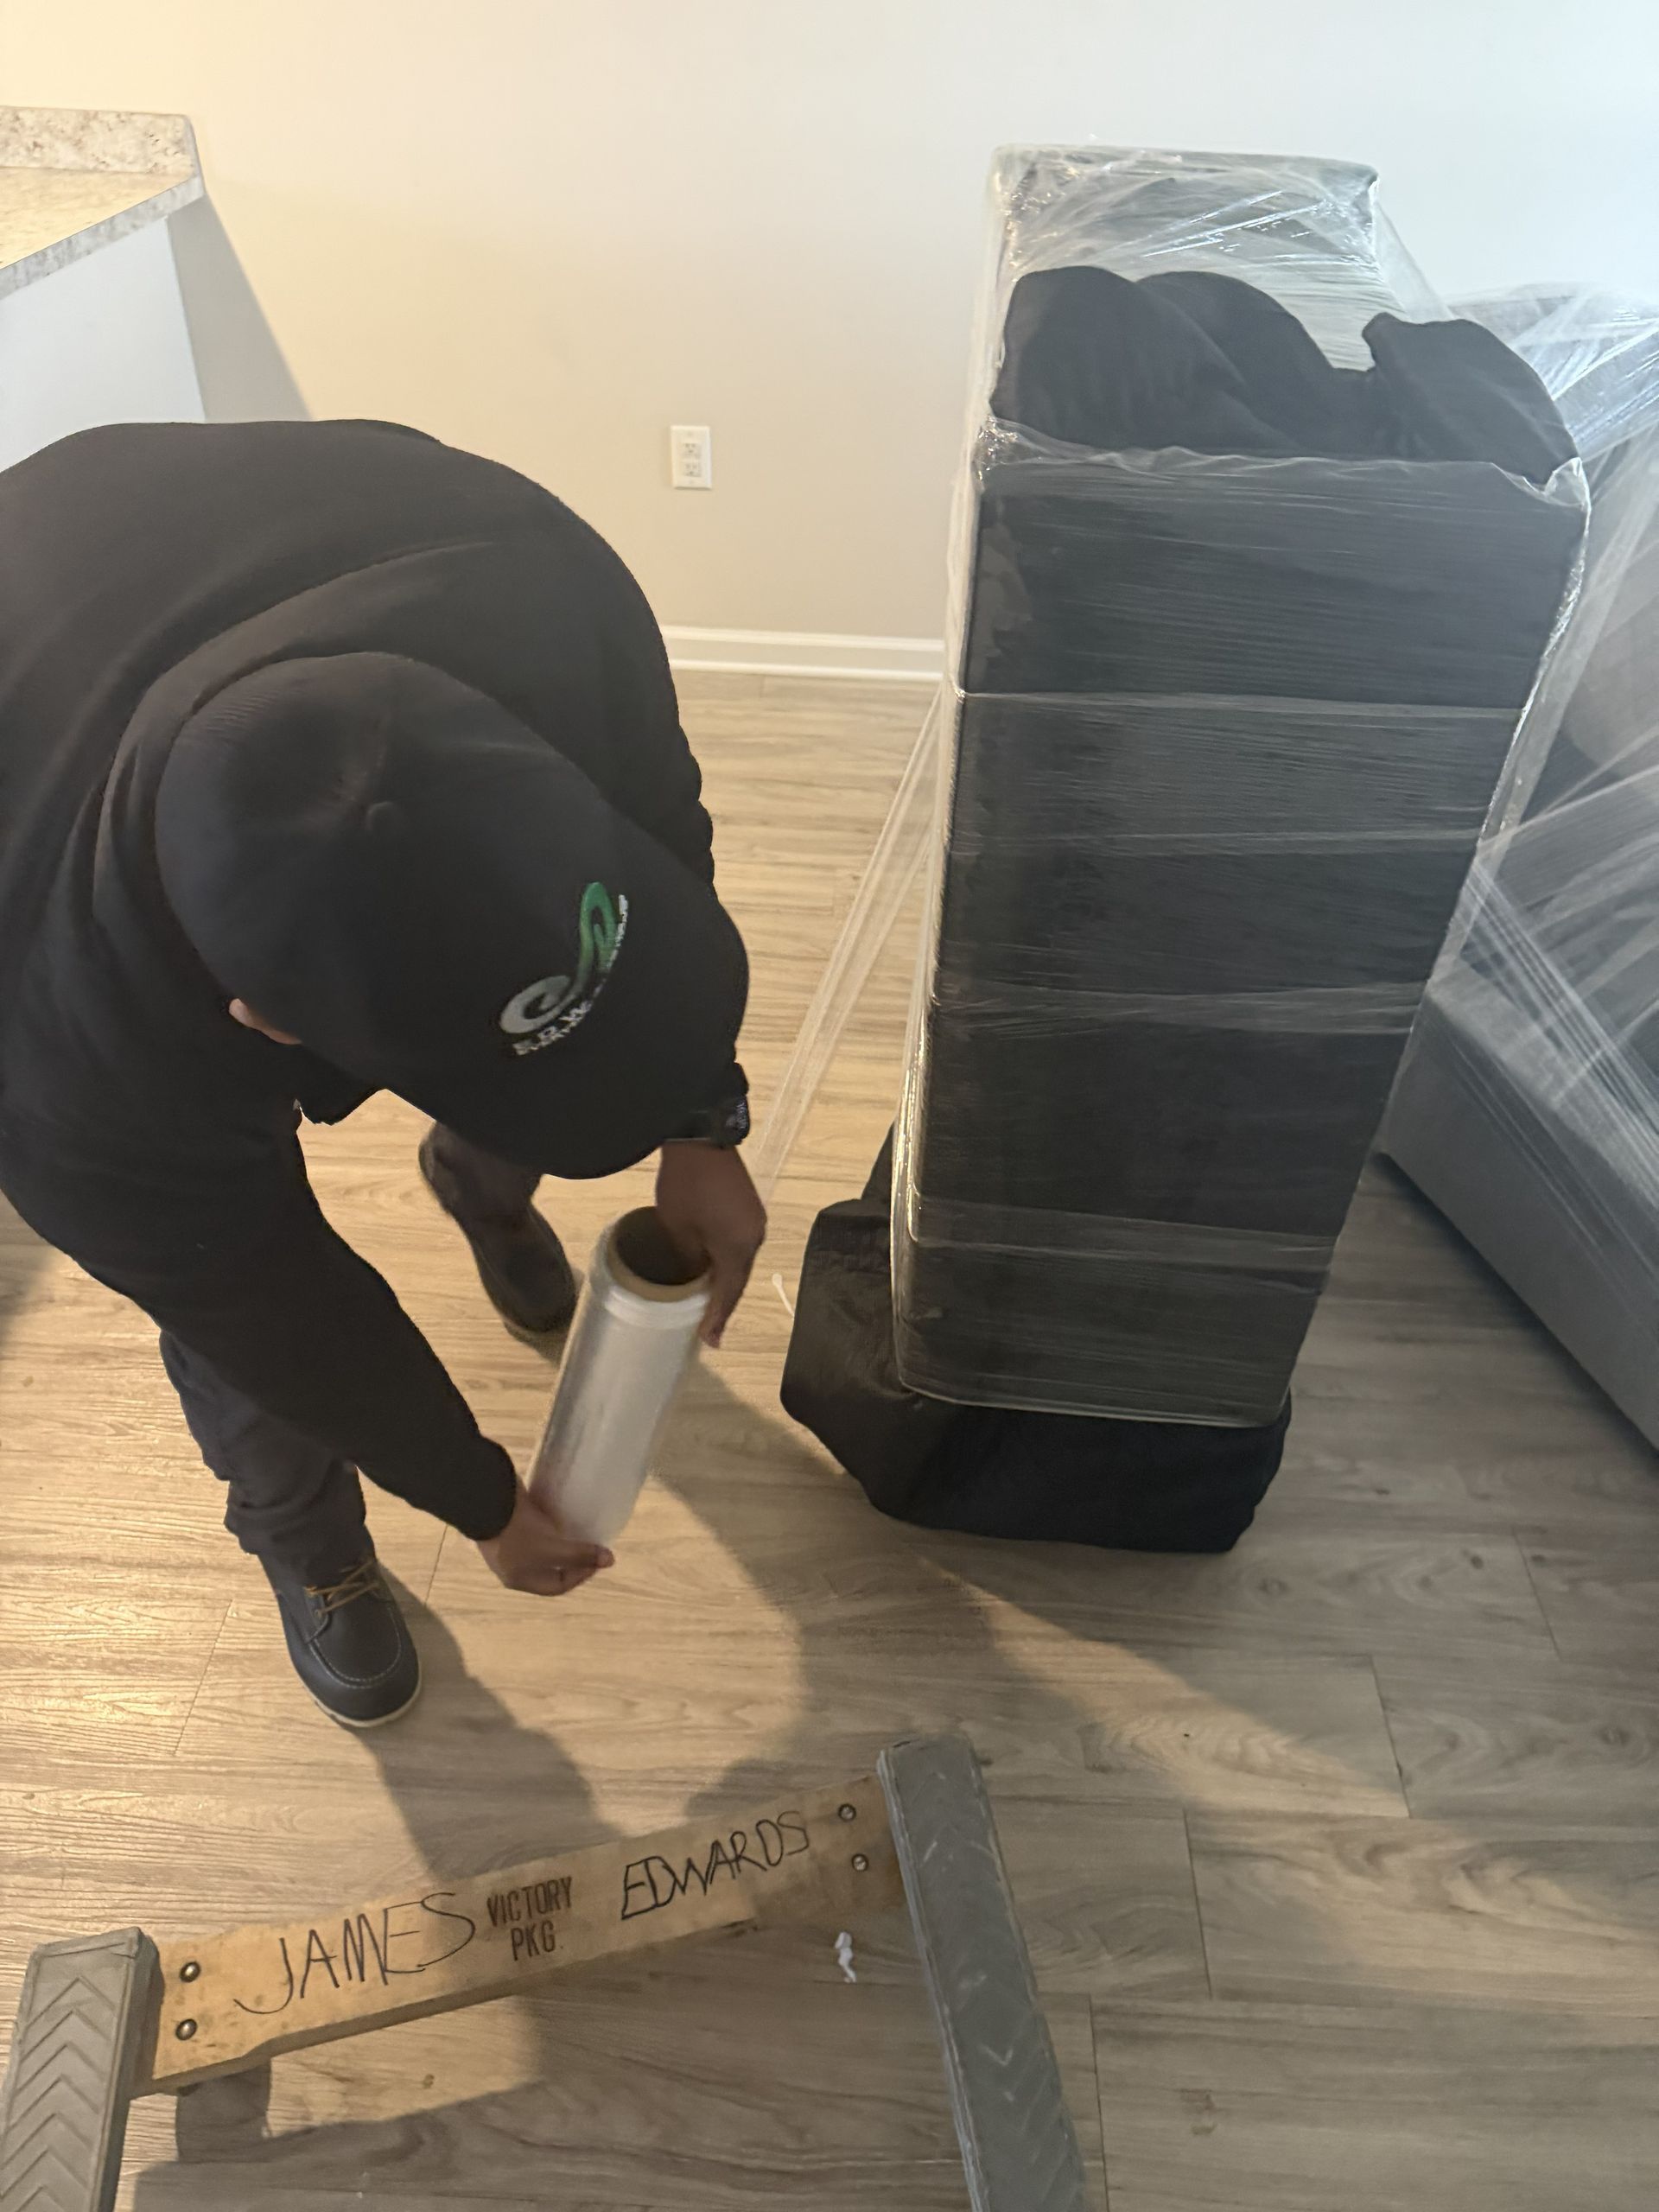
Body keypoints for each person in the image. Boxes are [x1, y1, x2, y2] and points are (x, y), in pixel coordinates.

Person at [0, 418, 766, 1727]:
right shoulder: (73, 1077)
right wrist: (475, 1498)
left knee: (525, 1008)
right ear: (273, 1027)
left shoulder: (539, 591)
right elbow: (271, 1303)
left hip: (209, 550)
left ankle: (484, 1181)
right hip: (47, 779)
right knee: (240, 1345)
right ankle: (317, 1557)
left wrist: (702, 1116)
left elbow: (654, 835)